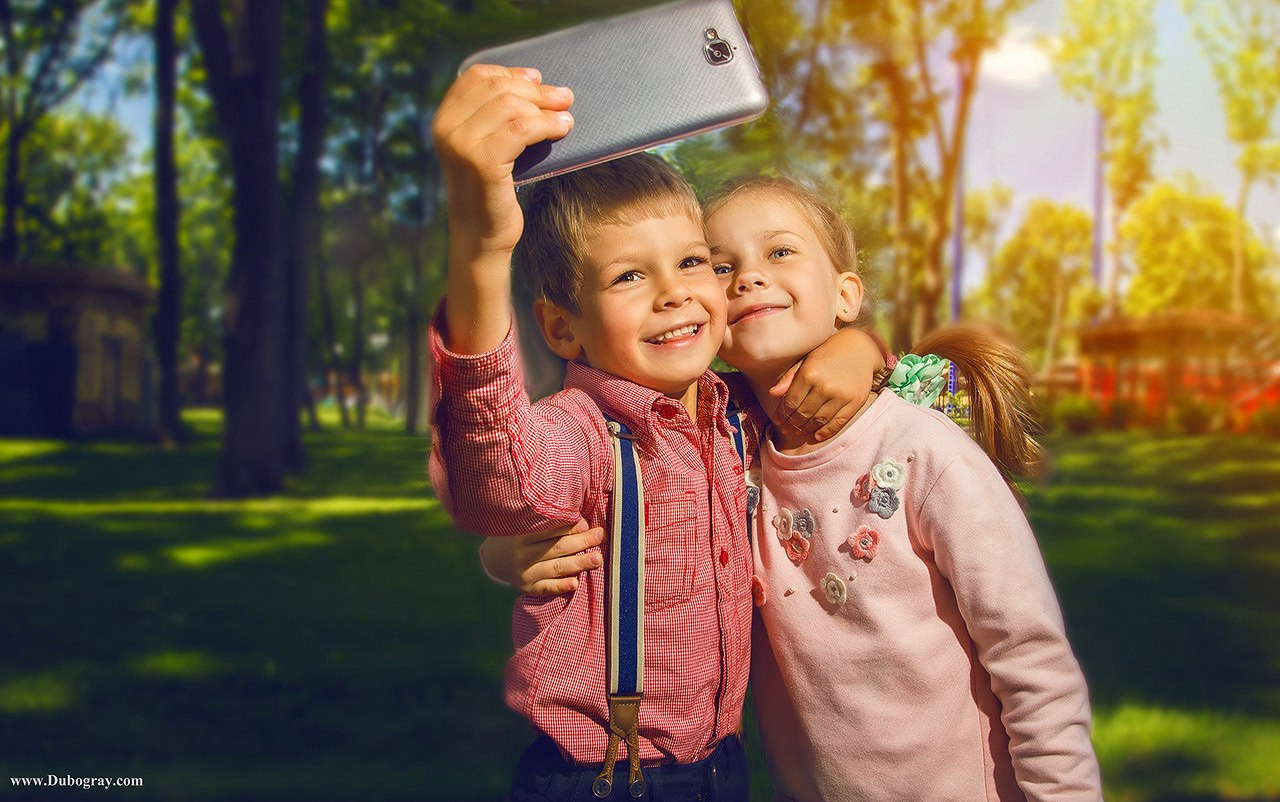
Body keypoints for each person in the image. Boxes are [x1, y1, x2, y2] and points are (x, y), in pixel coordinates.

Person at [486, 176, 1105, 800]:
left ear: (845, 294)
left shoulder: (924, 451)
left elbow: (1031, 660)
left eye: (779, 252)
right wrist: (510, 550)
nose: (748, 278)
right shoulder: (730, 446)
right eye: (720, 265)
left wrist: (860, 346)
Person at [429, 67, 885, 801]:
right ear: (560, 327)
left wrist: (855, 348)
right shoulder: (582, 433)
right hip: (607, 779)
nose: (675, 291)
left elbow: (929, 384)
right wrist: (481, 253)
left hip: (723, 771)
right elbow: (501, 482)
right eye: (627, 279)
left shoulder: (732, 412)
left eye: (692, 262)